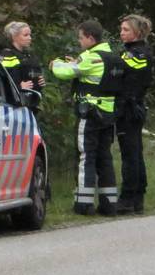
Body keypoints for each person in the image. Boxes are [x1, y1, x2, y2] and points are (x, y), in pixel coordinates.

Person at [50, 20, 120, 216]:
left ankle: (84, 204)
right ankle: (109, 204)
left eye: (81, 38)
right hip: (108, 114)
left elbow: (65, 73)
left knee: (86, 156)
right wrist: (76, 62)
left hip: (90, 114)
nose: (79, 42)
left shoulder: (91, 57)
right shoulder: (112, 57)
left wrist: (56, 64)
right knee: (105, 157)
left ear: (90, 37)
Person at [115, 14, 153, 215]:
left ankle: (128, 198)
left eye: (126, 30)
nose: (122, 33)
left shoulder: (137, 54)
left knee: (130, 155)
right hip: (133, 107)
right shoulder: (134, 52)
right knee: (135, 153)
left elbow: (118, 68)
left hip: (130, 109)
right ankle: (137, 197)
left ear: (137, 32)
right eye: (121, 29)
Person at [0, 21, 45, 92]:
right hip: (17, 97)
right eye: (25, 35)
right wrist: (18, 87)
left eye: (30, 35)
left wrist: (40, 82)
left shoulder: (29, 55)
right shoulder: (7, 55)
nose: (30, 38)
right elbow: (2, 80)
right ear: (14, 37)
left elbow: (33, 74)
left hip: (33, 97)